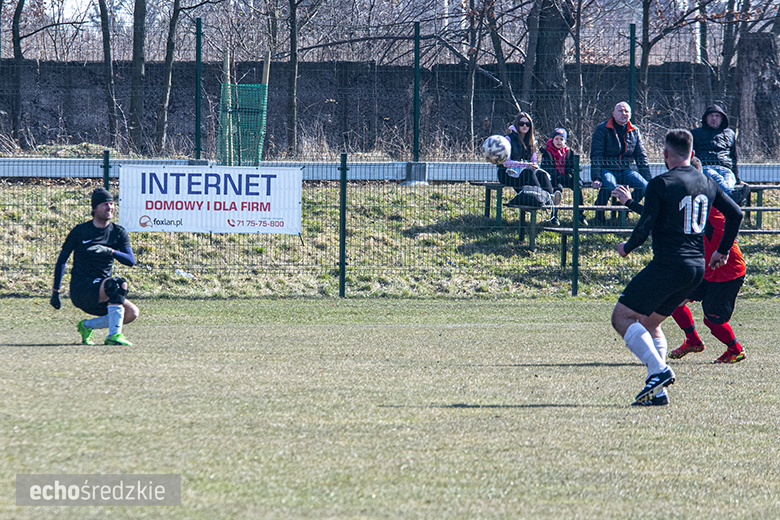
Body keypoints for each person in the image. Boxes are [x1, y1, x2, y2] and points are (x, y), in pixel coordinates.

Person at [609, 129, 742, 406]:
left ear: (665, 154)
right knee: (651, 323)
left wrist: (626, 248)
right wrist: (723, 250)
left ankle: (659, 371)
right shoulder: (707, 182)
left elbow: (645, 227)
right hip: (696, 269)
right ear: (692, 153)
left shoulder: (661, 183)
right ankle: (658, 392)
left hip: (669, 264)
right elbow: (736, 213)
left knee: (622, 317)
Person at [50, 188, 139, 346]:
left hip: (104, 291)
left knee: (132, 313)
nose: (109, 207)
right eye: (105, 204)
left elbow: (130, 261)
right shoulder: (80, 231)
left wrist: (111, 251)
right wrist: (55, 292)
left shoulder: (118, 232)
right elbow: (62, 260)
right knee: (117, 284)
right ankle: (113, 336)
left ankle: (86, 326)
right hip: (82, 290)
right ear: (94, 208)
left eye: (111, 204)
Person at [590, 102, 651, 224]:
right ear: (613, 113)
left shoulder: (634, 131)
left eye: (626, 111)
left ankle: (625, 208)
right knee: (609, 185)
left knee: (644, 187)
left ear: (630, 115)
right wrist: (596, 177)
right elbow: (596, 154)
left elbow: (641, 156)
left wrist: (649, 180)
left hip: (625, 170)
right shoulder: (602, 129)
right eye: (620, 111)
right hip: (606, 169)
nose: (624, 114)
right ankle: (599, 214)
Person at [690, 105, 749, 204]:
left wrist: (737, 179)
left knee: (729, 180)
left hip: (726, 168)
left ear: (722, 118)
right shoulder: (695, 133)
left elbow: (734, 157)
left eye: (717, 116)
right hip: (705, 168)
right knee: (718, 179)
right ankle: (733, 198)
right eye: (711, 116)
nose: (714, 118)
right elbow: (690, 156)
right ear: (705, 118)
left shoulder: (730, 134)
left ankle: (731, 197)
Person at [498, 112, 559, 206]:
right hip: (508, 173)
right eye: (521, 123)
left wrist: (535, 166)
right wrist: (526, 165)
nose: (524, 126)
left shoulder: (531, 141)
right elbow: (506, 163)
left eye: (527, 124)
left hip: (523, 172)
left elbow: (534, 161)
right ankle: (545, 198)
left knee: (541, 174)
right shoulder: (508, 139)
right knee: (528, 172)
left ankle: (551, 200)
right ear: (517, 124)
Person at [540, 127, 587, 226]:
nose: (559, 141)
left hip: (566, 177)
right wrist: (557, 176)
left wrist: (570, 175)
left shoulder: (569, 152)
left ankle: (580, 215)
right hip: (554, 178)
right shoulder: (547, 151)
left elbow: (573, 167)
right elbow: (547, 168)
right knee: (558, 189)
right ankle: (554, 216)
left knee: (577, 185)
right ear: (552, 140)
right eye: (556, 139)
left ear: (565, 141)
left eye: (561, 139)